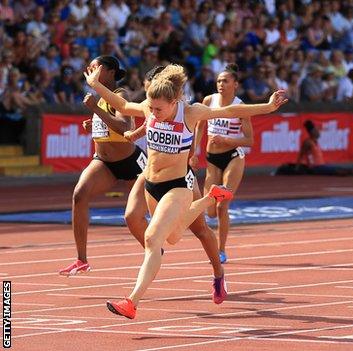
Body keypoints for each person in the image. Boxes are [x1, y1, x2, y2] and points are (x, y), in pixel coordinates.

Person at [83, 63, 287, 319]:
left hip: (178, 187)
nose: (154, 114)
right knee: (174, 236)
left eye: (159, 109)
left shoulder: (191, 113)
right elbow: (123, 106)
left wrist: (267, 107)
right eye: (151, 108)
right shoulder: (150, 107)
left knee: (152, 239)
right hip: (152, 185)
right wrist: (96, 85)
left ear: (174, 102)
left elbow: (230, 109)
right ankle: (212, 196)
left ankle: (132, 302)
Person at [123, 64, 229, 306]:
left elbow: (192, 130)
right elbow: (146, 121)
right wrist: (135, 133)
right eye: (148, 98)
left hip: (181, 175)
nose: (151, 108)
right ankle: (156, 245)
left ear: (170, 97)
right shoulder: (152, 107)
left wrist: (192, 154)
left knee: (199, 229)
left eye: (156, 103)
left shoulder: (186, 110)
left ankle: (218, 274)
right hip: (151, 172)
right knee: (145, 222)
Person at [59, 56, 148, 276]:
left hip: (131, 163)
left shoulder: (121, 95)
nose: (89, 69)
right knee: (79, 195)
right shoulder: (98, 98)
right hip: (104, 163)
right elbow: (109, 126)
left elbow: (124, 126)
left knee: (143, 213)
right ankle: (81, 260)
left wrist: (96, 111)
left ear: (109, 72)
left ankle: (153, 250)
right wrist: (94, 125)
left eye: (95, 66)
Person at [189, 63, 252, 264]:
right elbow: (199, 126)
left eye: (225, 81)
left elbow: (249, 140)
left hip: (234, 156)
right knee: (209, 210)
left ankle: (221, 250)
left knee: (222, 206)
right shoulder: (209, 100)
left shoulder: (240, 107)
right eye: (218, 81)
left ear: (235, 84)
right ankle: (218, 243)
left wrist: (228, 141)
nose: (220, 84)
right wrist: (194, 152)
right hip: (212, 159)